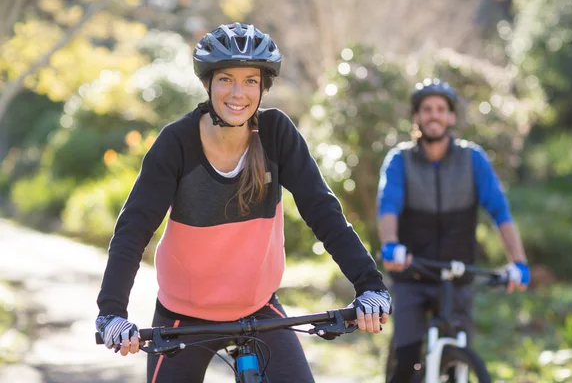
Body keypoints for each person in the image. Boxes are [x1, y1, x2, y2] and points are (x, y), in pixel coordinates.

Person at [94, 22, 391, 383]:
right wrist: (112, 312)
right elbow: (133, 229)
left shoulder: (276, 135)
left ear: (263, 87)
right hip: (182, 314)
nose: (239, 93)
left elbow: (322, 211)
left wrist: (370, 285)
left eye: (251, 80)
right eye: (226, 79)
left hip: (257, 308)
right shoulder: (177, 143)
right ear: (208, 83)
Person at [377, 79, 530, 383]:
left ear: (452, 117)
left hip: (458, 275)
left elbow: (500, 211)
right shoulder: (400, 160)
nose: (434, 115)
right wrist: (391, 245)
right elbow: (388, 208)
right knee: (405, 361)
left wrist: (519, 263)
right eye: (427, 109)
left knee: (459, 359)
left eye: (441, 109)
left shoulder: (472, 159)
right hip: (413, 273)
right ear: (417, 117)